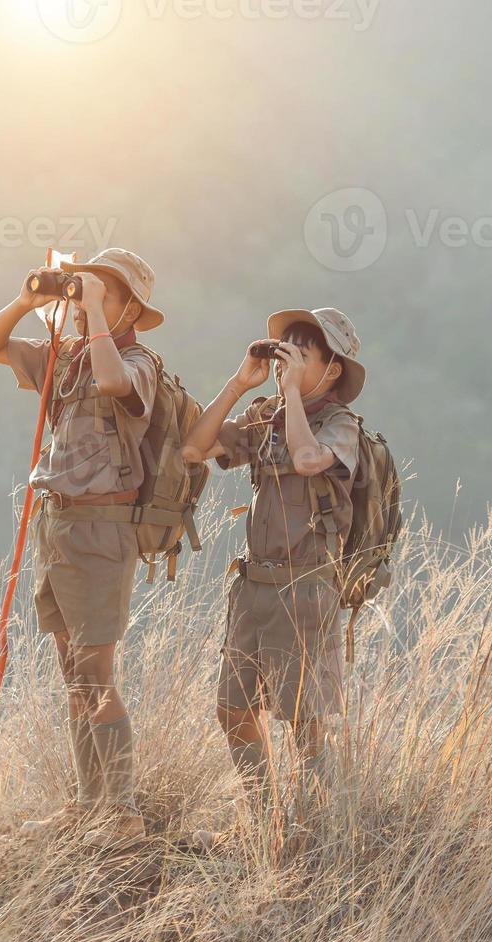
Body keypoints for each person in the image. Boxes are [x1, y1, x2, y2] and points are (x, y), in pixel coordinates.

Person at [0, 248, 168, 848]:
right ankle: (91, 805)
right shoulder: (67, 359)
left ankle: (123, 813)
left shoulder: (136, 360)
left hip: (103, 528)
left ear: (129, 306)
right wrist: (32, 301)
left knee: (97, 672)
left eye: (104, 295)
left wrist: (96, 316)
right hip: (56, 524)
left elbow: (117, 384)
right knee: (73, 673)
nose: (87, 304)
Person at [180, 308, 367, 830]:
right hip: (254, 587)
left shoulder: (340, 425)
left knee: (305, 723)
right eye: (284, 350)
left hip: (306, 590)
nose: (287, 362)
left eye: (301, 356)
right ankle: (263, 821)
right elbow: (194, 448)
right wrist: (241, 384)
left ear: (332, 371)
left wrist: (288, 398)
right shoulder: (265, 417)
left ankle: (329, 827)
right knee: (234, 711)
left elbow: (309, 460)